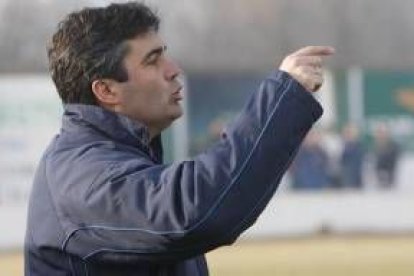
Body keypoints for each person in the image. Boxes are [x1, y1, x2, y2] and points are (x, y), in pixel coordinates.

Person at [24, 2, 334, 275]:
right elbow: (193, 210)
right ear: (106, 90)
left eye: (165, 56)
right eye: (152, 60)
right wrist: (282, 100)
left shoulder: (117, 159)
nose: (173, 70)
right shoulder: (80, 177)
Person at [339, 123, 365, 189]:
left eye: (351, 133)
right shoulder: (340, 149)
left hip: (357, 185)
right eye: (347, 133)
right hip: (342, 186)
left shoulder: (361, 150)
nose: (349, 135)